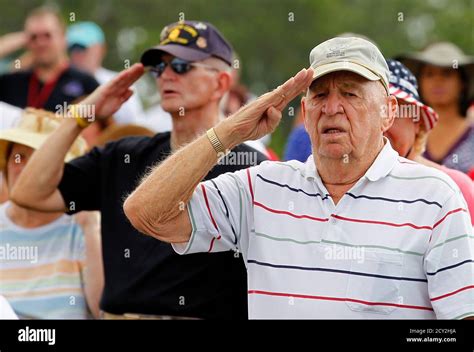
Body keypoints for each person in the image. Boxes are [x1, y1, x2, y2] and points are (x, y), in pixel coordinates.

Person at [123, 37, 473, 319]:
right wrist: (228, 133)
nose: (332, 107)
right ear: (305, 113)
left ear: (387, 112)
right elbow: (146, 213)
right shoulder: (261, 187)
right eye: (320, 94)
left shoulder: (434, 196)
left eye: (350, 93)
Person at [11, 21, 267, 320]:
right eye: (159, 67)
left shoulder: (250, 168)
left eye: (182, 66)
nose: (166, 75)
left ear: (221, 83)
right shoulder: (123, 155)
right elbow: (28, 193)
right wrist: (82, 116)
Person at [0, 108, 103, 319]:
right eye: (18, 157)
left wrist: (91, 228)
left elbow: (103, 310)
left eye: (40, 161)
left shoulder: (85, 225)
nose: (24, 169)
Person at [383, 59, 474, 225]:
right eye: (371, 111)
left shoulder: (458, 187)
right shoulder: (334, 186)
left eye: (394, 111)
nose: (382, 124)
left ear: (417, 122)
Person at [0, 7, 99, 112]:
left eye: (47, 35)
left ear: (63, 37)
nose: (41, 43)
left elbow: (107, 124)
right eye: (34, 37)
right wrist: (15, 40)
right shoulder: (13, 82)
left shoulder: (85, 83)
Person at [398, 42, 474, 173]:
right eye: (429, 74)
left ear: (463, 83)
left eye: (446, 74)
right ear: (419, 82)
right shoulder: (407, 132)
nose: (437, 81)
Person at [67, 22, 145, 125]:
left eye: (82, 48)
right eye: (72, 49)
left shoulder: (120, 82)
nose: (77, 54)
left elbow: (134, 125)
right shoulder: (58, 82)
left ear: (101, 49)